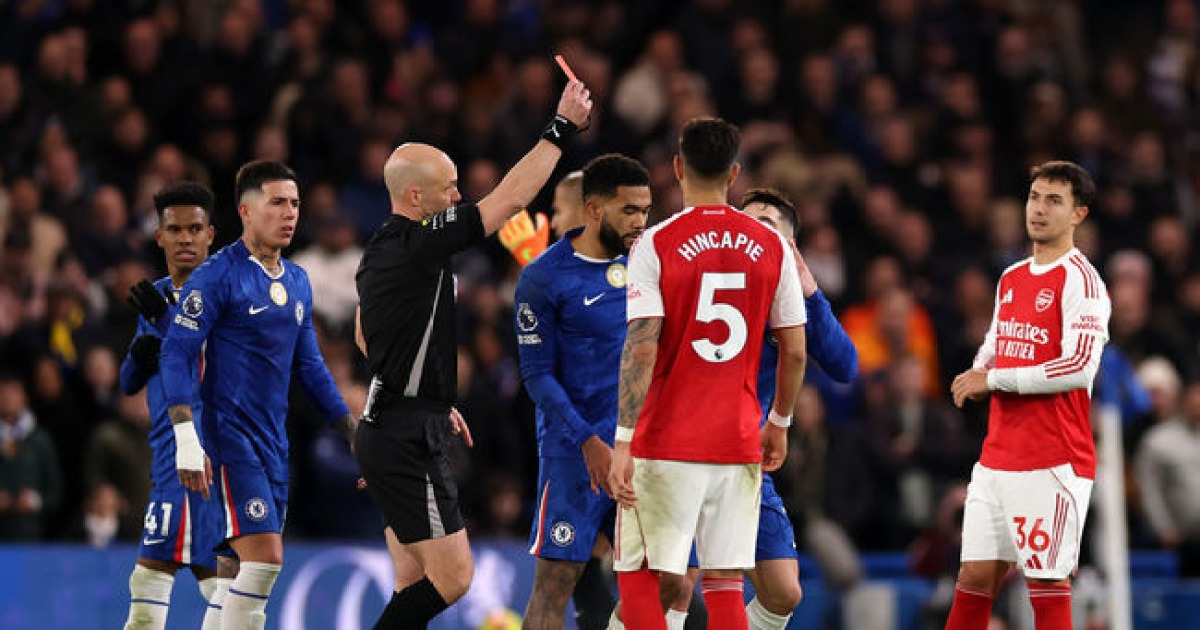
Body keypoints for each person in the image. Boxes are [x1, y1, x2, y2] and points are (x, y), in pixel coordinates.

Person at [353, 78, 591, 629]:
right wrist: (560, 128)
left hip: (394, 419)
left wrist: (426, 393)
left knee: (412, 583)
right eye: (450, 188)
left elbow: (367, 337)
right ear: (417, 198)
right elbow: (508, 201)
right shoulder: (419, 242)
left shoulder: (381, 253)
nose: (457, 198)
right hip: (404, 432)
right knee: (454, 578)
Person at [607, 118, 808, 630]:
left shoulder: (655, 243)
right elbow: (796, 351)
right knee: (724, 588)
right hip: (737, 440)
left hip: (665, 440)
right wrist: (779, 422)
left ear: (677, 168)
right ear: (735, 173)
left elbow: (642, 346)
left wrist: (624, 441)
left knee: (641, 579)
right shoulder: (774, 247)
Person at [158, 161, 354, 630]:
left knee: (234, 574)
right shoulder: (217, 277)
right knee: (264, 560)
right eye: (277, 203)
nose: (289, 214)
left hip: (273, 444)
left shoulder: (298, 280)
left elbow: (309, 367)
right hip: (228, 439)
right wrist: (186, 437)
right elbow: (174, 355)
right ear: (246, 211)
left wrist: (349, 427)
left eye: (295, 204)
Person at [945, 161, 1111, 630]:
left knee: (1046, 582)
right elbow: (997, 342)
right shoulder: (1012, 276)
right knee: (973, 577)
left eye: (1054, 200)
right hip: (998, 456)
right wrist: (979, 368)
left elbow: (1078, 368)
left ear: (1079, 214)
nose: (1039, 209)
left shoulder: (1083, 281)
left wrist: (994, 380)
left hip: (1053, 459)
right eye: (1035, 197)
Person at [515, 154, 651, 630]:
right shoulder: (543, 277)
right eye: (628, 211)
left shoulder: (649, 264)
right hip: (574, 454)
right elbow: (536, 375)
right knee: (556, 584)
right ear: (594, 210)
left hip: (640, 449)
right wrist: (586, 440)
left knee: (670, 583)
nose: (640, 222)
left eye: (645, 211)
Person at [740, 188, 859, 629]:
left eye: (765, 224)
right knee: (678, 587)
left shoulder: (790, 296)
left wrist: (809, 289)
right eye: (744, 221)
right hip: (686, 452)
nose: (750, 231)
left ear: (788, 244)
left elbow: (845, 366)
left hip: (747, 462)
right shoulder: (707, 283)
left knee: (783, 592)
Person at [118, 181, 225, 630]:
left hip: (201, 452)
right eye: (175, 229)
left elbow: (219, 369)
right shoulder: (156, 294)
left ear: (210, 235)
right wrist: (140, 359)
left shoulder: (227, 291)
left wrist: (165, 325)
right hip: (167, 450)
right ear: (159, 236)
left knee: (151, 578)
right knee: (218, 582)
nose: (185, 238)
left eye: (194, 229)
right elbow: (128, 383)